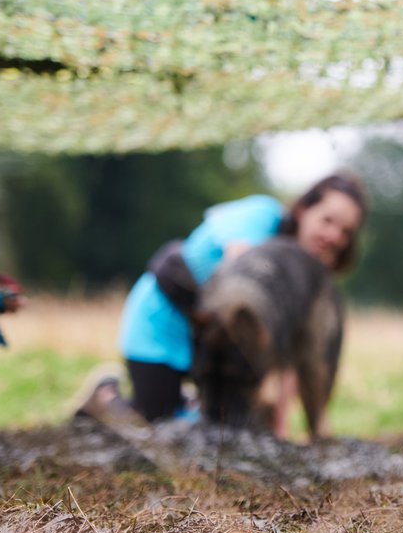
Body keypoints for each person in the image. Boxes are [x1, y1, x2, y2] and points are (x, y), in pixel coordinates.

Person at [82, 173, 366, 432]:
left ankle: (188, 403)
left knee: (219, 423)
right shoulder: (263, 214)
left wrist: (280, 428)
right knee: (154, 426)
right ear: (304, 209)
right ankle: (105, 396)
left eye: (345, 232)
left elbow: (287, 351)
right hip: (162, 320)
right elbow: (237, 267)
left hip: (212, 338)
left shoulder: (298, 274)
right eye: (328, 221)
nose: (334, 237)